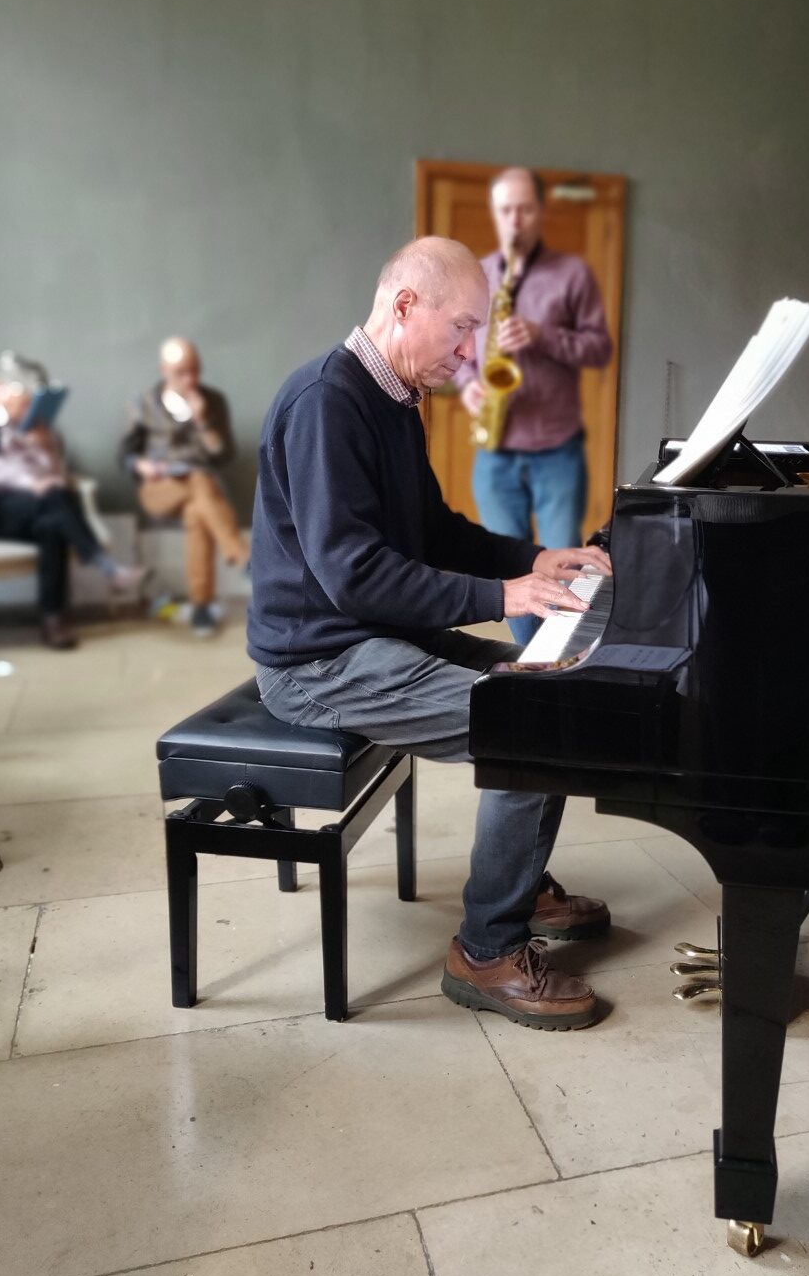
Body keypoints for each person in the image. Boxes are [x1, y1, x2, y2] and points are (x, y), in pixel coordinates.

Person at [248, 236, 613, 1031]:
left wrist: (534, 557)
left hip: (367, 635)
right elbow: (354, 574)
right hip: (320, 661)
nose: (469, 351)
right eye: (462, 327)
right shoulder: (325, 402)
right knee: (527, 723)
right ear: (404, 305)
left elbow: (434, 532)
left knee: (545, 685)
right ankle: (486, 950)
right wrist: (504, 591)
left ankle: (517, 884)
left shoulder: (392, 396)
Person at [456, 167, 612, 645]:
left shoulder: (572, 275)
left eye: (525, 209)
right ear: (495, 214)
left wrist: (544, 337)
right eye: (505, 210)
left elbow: (598, 349)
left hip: (557, 451)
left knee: (563, 566)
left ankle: (559, 661)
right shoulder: (479, 274)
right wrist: (467, 384)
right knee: (512, 567)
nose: (515, 220)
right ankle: (533, 665)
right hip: (496, 448)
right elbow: (460, 343)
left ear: (540, 212)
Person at [0, 355, 147, 649]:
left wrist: (46, 446)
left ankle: (53, 620)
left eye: (27, 397)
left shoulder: (35, 430)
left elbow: (60, 477)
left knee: (52, 525)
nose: (22, 402)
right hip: (0, 510)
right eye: (16, 395)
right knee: (54, 498)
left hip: (35, 509)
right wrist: (35, 484)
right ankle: (107, 568)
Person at [120, 337, 249, 638]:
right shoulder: (142, 404)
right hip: (158, 488)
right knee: (200, 481)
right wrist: (140, 465)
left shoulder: (212, 401)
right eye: (181, 372)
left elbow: (223, 454)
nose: (190, 379)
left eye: (195, 370)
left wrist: (202, 421)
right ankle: (243, 557)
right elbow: (125, 455)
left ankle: (201, 607)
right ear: (164, 370)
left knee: (196, 512)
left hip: (200, 490)